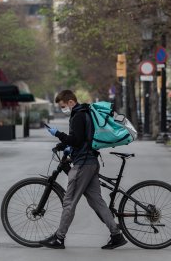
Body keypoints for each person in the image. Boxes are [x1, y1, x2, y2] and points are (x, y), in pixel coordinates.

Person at [40, 89, 127, 250]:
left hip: (83, 164)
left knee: (69, 202)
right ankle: (117, 235)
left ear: (71, 102)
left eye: (63, 106)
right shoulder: (84, 112)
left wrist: (57, 134)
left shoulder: (78, 115)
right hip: (91, 161)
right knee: (97, 202)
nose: (62, 109)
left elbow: (77, 140)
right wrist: (66, 147)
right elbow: (81, 140)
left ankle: (59, 238)